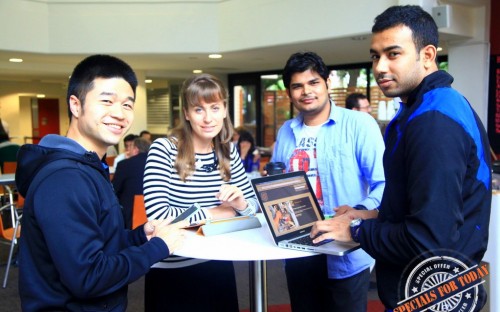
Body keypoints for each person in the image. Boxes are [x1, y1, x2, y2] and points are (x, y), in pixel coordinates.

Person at [310, 5, 491, 311]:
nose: (380, 67)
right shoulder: (423, 108)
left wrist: (354, 231)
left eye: (393, 54)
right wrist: (369, 215)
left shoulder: (434, 120)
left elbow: (429, 241)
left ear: (428, 55)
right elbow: (424, 208)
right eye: (375, 55)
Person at [14, 54, 187, 311]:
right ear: (76, 105)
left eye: (127, 105)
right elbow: (88, 277)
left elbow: (100, 246)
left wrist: (141, 236)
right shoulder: (65, 180)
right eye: (106, 101)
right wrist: (157, 249)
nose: (119, 114)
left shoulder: (89, 168)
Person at [272, 51, 385, 312]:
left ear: (327, 83)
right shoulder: (286, 131)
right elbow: (279, 187)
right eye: (297, 86)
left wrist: (356, 214)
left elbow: (383, 184)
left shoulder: (359, 124)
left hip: (345, 248)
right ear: (289, 93)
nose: (306, 92)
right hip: (298, 249)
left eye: (313, 83)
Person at [143, 73, 259, 312]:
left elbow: (253, 212)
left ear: (225, 110)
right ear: (186, 113)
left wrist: (239, 204)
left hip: (219, 263)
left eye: (215, 108)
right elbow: (158, 217)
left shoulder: (227, 150)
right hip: (173, 269)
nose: (208, 118)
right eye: (198, 109)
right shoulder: (164, 149)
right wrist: (221, 212)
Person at [113, 137, 151, 229]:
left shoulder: (124, 164)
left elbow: (114, 190)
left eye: (130, 148)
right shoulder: (158, 163)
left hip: (129, 216)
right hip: (154, 215)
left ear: (135, 149)